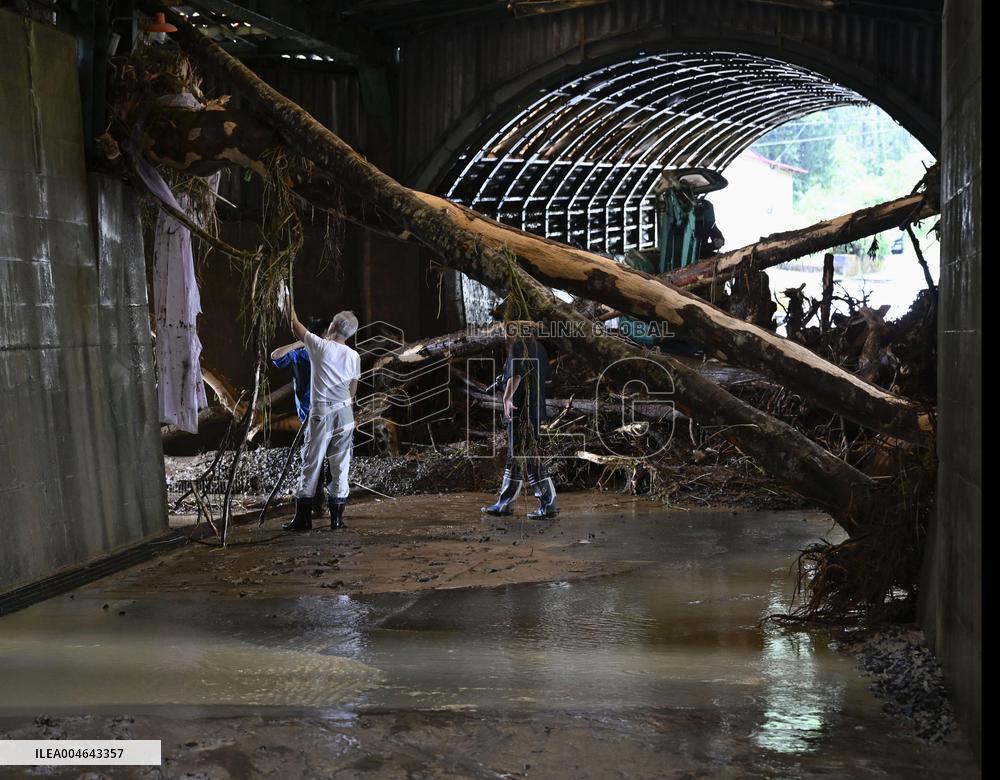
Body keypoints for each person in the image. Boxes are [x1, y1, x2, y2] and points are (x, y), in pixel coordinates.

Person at [282, 308, 361, 532]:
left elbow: (293, 323)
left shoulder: (320, 346)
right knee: (340, 464)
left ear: (332, 328)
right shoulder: (354, 356)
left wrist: (287, 299)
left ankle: (303, 519)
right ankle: (336, 520)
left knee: (312, 462)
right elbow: (353, 389)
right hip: (345, 414)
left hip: (322, 413)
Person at [481, 325, 559, 519]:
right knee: (523, 457)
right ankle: (509, 504)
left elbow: (516, 375)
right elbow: (546, 379)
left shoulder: (518, 347)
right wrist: (503, 380)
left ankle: (542, 504)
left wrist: (507, 397)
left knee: (521, 457)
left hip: (519, 410)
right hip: (535, 410)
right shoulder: (539, 348)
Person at [271, 317, 331, 512]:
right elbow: (275, 356)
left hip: (332, 413)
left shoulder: (331, 353)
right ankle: (317, 506)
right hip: (310, 415)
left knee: (329, 461)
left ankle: (327, 505)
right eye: (326, 334)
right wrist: (302, 341)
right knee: (315, 462)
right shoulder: (300, 354)